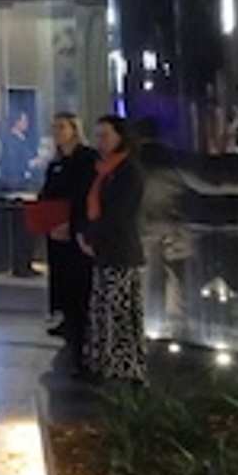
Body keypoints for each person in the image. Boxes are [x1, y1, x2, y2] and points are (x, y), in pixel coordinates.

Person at [79, 118, 148, 383]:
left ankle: (123, 366)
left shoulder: (128, 171)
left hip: (119, 249)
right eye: (97, 136)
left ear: (121, 137)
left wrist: (92, 234)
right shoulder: (104, 171)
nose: (100, 142)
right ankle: (104, 362)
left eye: (105, 135)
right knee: (103, 309)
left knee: (119, 310)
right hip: (104, 249)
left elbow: (119, 213)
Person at [32, 115, 97, 366]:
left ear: (74, 130)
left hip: (76, 230)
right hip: (55, 229)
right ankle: (67, 318)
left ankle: (80, 327)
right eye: (54, 128)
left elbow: (84, 195)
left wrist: (73, 223)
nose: (57, 132)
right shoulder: (55, 164)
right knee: (60, 275)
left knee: (78, 278)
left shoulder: (86, 159)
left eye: (61, 127)